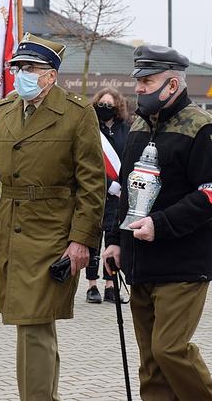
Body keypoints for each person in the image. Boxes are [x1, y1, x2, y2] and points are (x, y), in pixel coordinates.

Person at [0, 33, 105, 400]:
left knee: (34, 325)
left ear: (51, 75)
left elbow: (92, 185)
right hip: (13, 233)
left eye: (30, 68)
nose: (21, 75)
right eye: (18, 68)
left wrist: (82, 240)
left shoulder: (77, 114)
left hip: (53, 234)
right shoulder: (4, 113)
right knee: (32, 326)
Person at [103, 44, 212, 400]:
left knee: (169, 350)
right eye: (139, 81)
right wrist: (113, 240)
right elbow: (124, 188)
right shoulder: (140, 126)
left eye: (148, 81)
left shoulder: (204, 129)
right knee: (152, 366)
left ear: (172, 85)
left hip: (183, 263)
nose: (139, 88)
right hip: (139, 261)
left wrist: (160, 224)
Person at [85, 87, 130, 304]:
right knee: (94, 240)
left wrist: (122, 186)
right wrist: (108, 184)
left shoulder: (126, 129)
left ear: (117, 107)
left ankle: (110, 285)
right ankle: (91, 285)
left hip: (119, 195)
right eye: (101, 104)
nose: (105, 108)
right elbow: (88, 163)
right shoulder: (91, 129)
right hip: (96, 192)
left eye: (109, 105)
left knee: (113, 239)